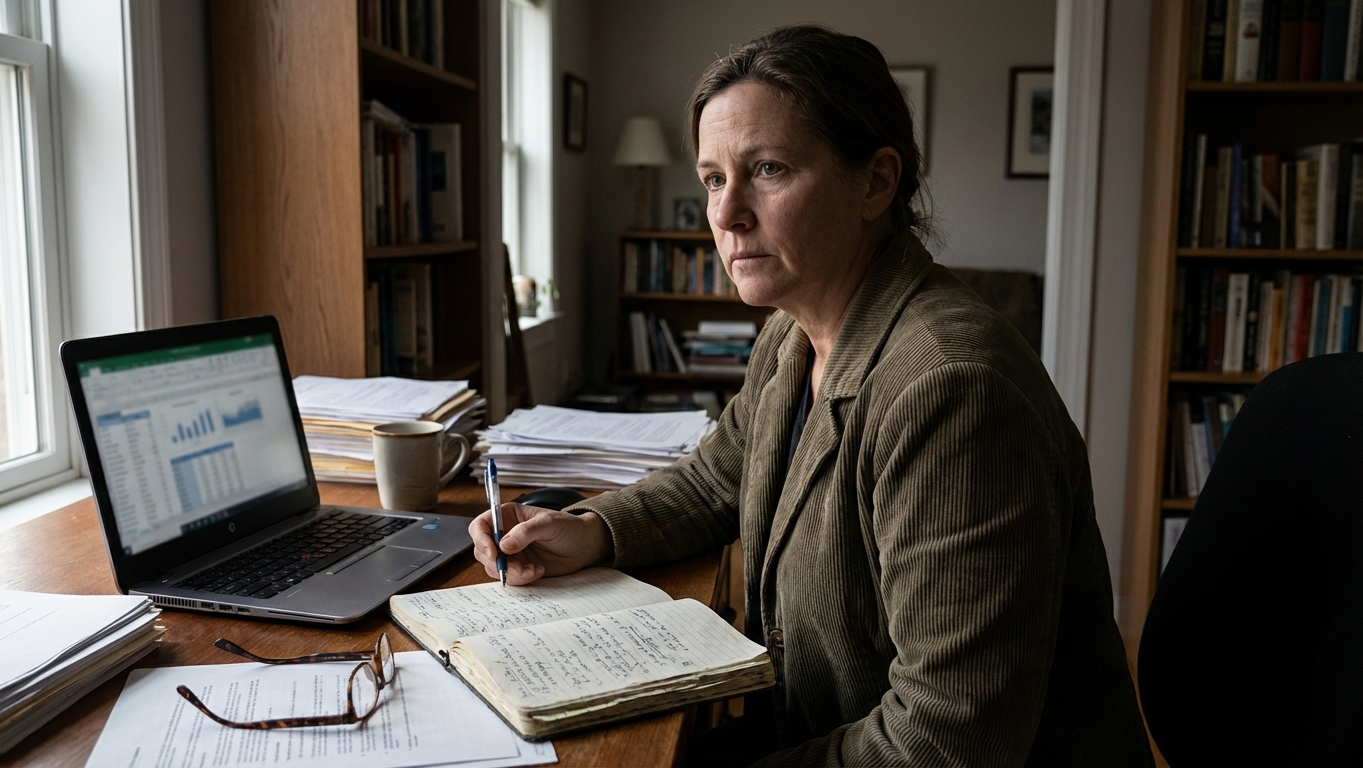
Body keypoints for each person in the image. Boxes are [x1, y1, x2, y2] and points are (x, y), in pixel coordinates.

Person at [469, 25, 1152, 767]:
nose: (727, 216)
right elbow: (716, 478)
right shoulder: (794, 334)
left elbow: (948, 741)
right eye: (712, 179)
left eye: (767, 169)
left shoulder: (952, 390)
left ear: (876, 182)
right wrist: (590, 529)